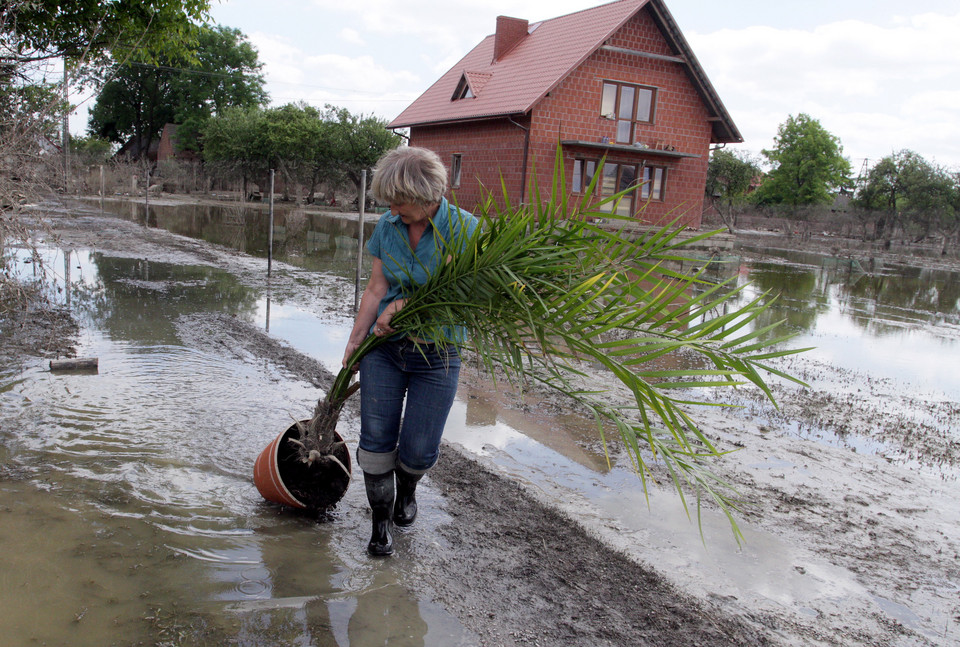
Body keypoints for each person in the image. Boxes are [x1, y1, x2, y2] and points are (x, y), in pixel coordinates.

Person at [342, 147, 478, 557]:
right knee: (376, 442)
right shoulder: (388, 226)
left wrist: (405, 307)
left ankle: (408, 491)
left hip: (438, 353)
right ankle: (379, 523)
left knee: (418, 449)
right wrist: (356, 337)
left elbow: (454, 292)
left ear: (426, 195)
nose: (391, 208)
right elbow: (377, 288)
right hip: (384, 350)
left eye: (399, 201)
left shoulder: (464, 229)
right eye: (389, 201)